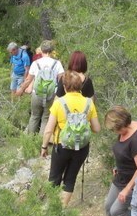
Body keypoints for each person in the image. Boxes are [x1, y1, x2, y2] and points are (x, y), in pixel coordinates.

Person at [41, 70, 101, 207]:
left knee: (54, 178)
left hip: (62, 146)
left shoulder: (59, 103)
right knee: (70, 179)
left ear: (65, 86)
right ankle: (61, 209)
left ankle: (51, 208)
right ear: (80, 86)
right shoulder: (89, 103)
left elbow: (49, 129)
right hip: (82, 148)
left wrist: (44, 146)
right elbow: (97, 128)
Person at [95, 106, 137, 216]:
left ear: (122, 124)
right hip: (120, 177)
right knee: (108, 206)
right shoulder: (124, 131)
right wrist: (118, 166)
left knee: (117, 211)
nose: (114, 132)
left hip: (131, 182)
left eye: (114, 129)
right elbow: (123, 152)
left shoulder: (136, 139)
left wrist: (127, 190)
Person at [15, 40, 64, 134]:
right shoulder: (57, 63)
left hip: (36, 94)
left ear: (41, 50)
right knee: (46, 118)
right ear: (52, 50)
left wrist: (21, 89)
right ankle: (41, 143)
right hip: (51, 94)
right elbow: (62, 79)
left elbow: (28, 80)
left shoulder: (36, 63)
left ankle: (29, 142)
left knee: (34, 116)